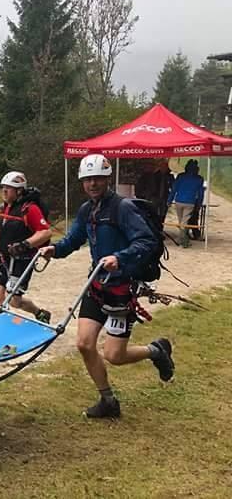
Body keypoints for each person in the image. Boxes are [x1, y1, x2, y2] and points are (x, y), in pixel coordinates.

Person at [39, 154, 175, 419]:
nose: (92, 184)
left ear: (107, 179)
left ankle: (155, 351)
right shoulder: (86, 210)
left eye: (98, 179)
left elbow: (146, 241)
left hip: (121, 290)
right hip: (96, 285)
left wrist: (119, 258)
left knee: (114, 355)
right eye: (88, 179)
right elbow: (73, 240)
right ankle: (108, 401)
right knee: (84, 344)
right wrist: (53, 249)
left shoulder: (122, 208)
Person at [0, 171, 53, 323]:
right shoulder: (5, 207)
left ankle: (39, 313)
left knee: (14, 301)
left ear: (18, 191)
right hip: (3, 258)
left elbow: (45, 232)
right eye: (3, 187)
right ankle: (4, 326)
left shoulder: (30, 209)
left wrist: (25, 245)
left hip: (21, 261)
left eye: (8, 188)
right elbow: (2, 226)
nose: (4, 191)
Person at [167, 159, 205, 248]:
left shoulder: (180, 176)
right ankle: (183, 241)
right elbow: (200, 193)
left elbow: (174, 189)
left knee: (181, 221)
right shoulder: (199, 179)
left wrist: (169, 200)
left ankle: (183, 239)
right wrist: (199, 204)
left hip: (179, 201)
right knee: (184, 222)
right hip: (190, 202)